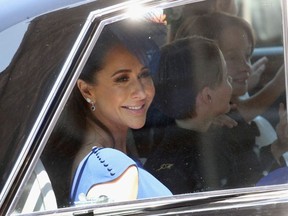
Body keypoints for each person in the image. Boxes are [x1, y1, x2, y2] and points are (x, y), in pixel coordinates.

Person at [42, 20, 172, 207]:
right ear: (87, 91)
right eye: (122, 79)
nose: (141, 92)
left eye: (144, 74)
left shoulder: (113, 157)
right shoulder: (110, 169)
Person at [175, 12, 287, 188]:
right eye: (232, 57)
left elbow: (251, 173)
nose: (246, 66)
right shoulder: (208, 131)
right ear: (200, 63)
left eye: (248, 55)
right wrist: (280, 81)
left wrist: (279, 146)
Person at [144, 36, 233, 194]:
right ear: (208, 97)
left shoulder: (161, 151)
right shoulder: (208, 159)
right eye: (226, 78)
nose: (230, 80)